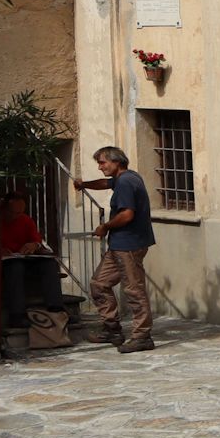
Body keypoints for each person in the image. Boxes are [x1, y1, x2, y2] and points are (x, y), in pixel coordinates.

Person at [74, 145, 156, 352]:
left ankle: (142, 336)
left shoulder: (127, 182)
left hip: (129, 244)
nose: (100, 167)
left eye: (103, 162)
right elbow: (105, 183)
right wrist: (85, 185)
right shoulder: (124, 178)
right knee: (99, 284)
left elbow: (127, 214)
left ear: (116, 161)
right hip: (119, 245)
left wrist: (105, 227)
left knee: (133, 289)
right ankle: (112, 329)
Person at [0, 192, 67, 328]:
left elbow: (36, 240)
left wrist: (34, 245)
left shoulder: (25, 220)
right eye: (13, 212)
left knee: (49, 264)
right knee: (15, 267)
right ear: (4, 209)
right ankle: (17, 315)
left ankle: (57, 309)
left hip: (20, 258)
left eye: (20, 212)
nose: (16, 216)